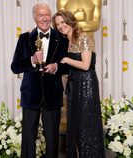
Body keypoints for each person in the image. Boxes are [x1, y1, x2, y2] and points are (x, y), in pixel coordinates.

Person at [11, 3, 68, 158]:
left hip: (53, 94)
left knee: (52, 139)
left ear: (51, 16)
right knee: (28, 138)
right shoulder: (24, 38)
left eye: (47, 14)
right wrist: (32, 60)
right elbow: (15, 67)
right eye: (40, 15)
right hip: (30, 94)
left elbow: (69, 67)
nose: (44, 18)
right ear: (34, 18)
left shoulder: (62, 39)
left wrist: (56, 67)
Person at [52, 10, 106, 158]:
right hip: (73, 84)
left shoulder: (83, 37)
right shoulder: (65, 41)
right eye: (58, 24)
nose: (61, 26)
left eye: (63, 22)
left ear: (70, 20)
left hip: (86, 84)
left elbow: (86, 65)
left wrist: (67, 60)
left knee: (86, 123)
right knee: (74, 124)